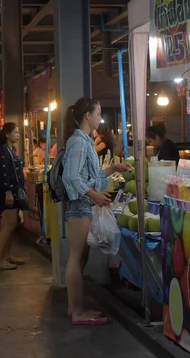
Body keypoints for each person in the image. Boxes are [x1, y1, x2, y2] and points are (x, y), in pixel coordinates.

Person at [61, 97, 131, 325]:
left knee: (80, 258)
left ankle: (75, 309)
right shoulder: (79, 142)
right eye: (98, 113)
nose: (100, 118)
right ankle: (78, 311)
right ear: (87, 116)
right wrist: (94, 195)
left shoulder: (84, 141)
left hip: (83, 203)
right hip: (79, 204)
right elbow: (71, 177)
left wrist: (114, 168)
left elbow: (90, 176)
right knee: (76, 257)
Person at [0, 122, 26, 270]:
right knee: (8, 225)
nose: (18, 135)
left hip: (12, 192)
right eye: (16, 132)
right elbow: (2, 173)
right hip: (8, 193)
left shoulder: (9, 150)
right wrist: (7, 191)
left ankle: (7, 256)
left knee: (11, 226)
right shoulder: (3, 151)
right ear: (7, 134)